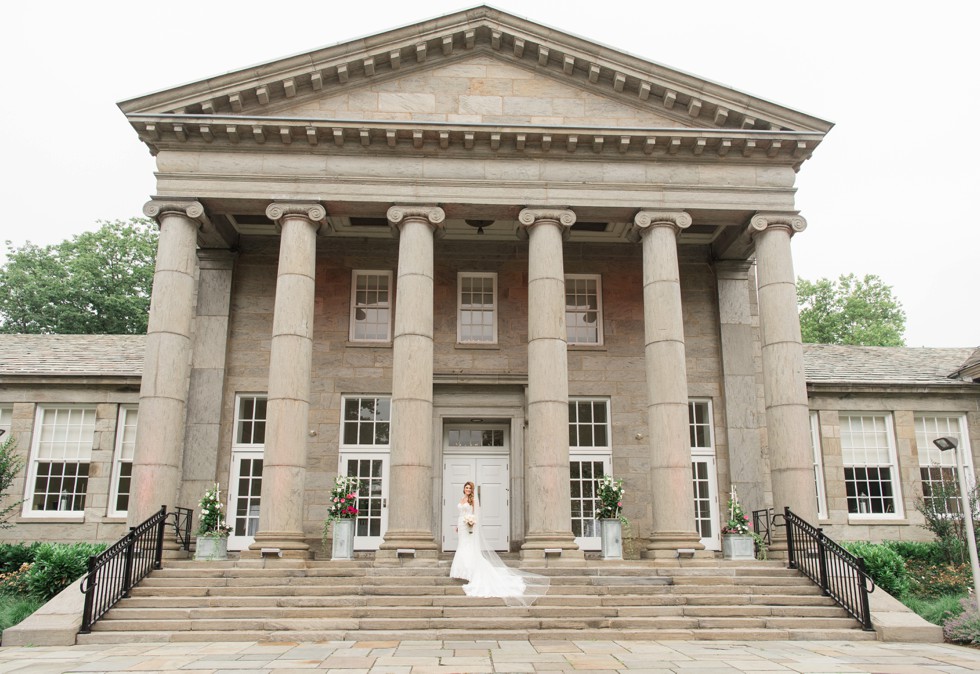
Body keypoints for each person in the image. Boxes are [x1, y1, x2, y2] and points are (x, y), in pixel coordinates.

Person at [449, 481, 549, 606]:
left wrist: (472, 523)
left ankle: (469, 570)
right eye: (466, 487)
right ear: (464, 489)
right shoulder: (462, 499)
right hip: (461, 524)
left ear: (472, 490)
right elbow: (461, 513)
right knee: (462, 545)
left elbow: (475, 515)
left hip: (469, 525)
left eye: (469, 488)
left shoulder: (472, 500)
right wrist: (458, 526)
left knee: (468, 546)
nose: (468, 489)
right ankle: (461, 570)